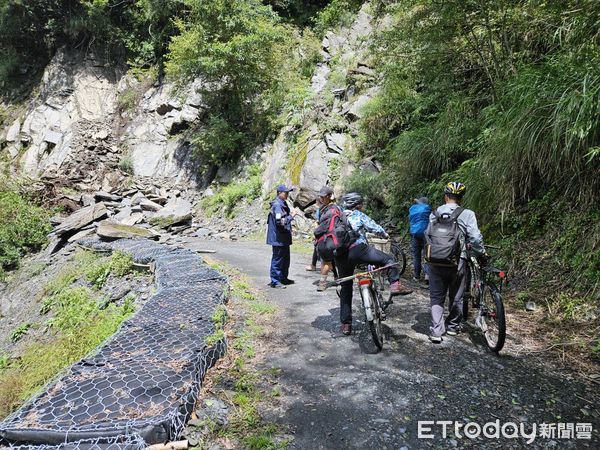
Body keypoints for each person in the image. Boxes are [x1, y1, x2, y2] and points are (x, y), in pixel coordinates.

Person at [334, 193, 413, 335]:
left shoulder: (337, 216)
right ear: (357, 205)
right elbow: (374, 228)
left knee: (346, 288)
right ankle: (395, 285)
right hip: (359, 251)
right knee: (388, 260)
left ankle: (346, 324)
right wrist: (385, 235)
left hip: (340, 256)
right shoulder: (358, 214)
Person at [426, 182, 486, 343]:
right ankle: (452, 327)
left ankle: (437, 332)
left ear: (446, 197)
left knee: (436, 296)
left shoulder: (435, 213)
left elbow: (428, 235)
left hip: (435, 260)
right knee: (456, 295)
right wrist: (481, 252)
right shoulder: (467, 214)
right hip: (457, 261)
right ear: (461, 198)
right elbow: (474, 237)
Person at [267, 185, 298, 289]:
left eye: (288, 193)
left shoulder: (283, 203)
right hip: (278, 238)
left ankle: (283, 278)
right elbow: (280, 222)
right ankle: (275, 281)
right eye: (285, 193)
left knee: (285, 259)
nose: (287, 194)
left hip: (283, 237)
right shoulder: (277, 205)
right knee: (278, 259)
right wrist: (291, 216)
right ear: (279, 193)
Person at [312, 186, 336, 292]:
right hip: (330, 239)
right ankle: (324, 282)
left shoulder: (322, 209)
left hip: (322, 239)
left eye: (323, 197)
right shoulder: (335, 209)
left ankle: (325, 281)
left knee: (326, 262)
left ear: (329, 196)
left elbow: (318, 224)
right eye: (321, 197)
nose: (321, 199)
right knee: (327, 262)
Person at [408, 196, 431, 282]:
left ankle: (416, 276)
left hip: (414, 234)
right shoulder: (428, 208)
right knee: (427, 255)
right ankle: (427, 276)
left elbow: (411, 220)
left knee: (416, 256)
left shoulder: (412, 209)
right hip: (426, 234)